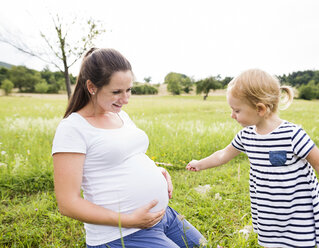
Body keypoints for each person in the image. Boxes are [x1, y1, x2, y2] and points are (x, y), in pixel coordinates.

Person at [52, 48, 205, 248]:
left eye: (129, 90)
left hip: (164, 217)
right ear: (91, 86)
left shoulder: (119, 115)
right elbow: (67, 203)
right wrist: (129, 220)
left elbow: (125, 157)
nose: (125, 99)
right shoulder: (72, 128)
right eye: (116, 92)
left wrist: (156, 171)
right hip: (121, 234)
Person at [186, 69, 319, 248]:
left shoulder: (292, 135)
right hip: (269, 214)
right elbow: (223, 154)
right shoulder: (246, 136)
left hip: (298, 214)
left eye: (237, 110)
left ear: (260, 109)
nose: (232, 115)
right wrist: (199, 164)